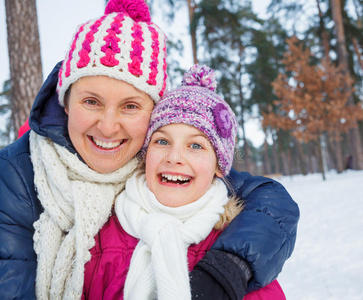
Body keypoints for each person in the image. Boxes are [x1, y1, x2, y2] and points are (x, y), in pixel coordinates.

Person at [0, 0, 299, 299]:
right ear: (64, 101)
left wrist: (229, 268)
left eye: (130, 106)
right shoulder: (18, 176)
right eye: (91, 101)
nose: (107, 127)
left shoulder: (160, 163)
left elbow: (269, 202)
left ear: (152, 115)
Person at [82, 64, 286, 300]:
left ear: (219, 167)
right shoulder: (97, 235)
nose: (174, 157)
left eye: (196, 146)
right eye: (162, 142)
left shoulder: (234, 252)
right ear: (145, 153)